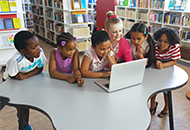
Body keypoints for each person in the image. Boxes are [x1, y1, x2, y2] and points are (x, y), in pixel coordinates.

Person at [3, 31, 47, 130]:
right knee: (21, 106)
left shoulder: (39, 53)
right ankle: (23, 124)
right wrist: (24, 76)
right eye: (34, 47)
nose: (38, 49)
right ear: (22, 51)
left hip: (26, 80)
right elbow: (15, 76)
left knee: (26, 105)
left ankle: (24, 122)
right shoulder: (16, 61)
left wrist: (25, 76)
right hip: (11, 83)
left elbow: (40, 68)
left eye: (38, 45)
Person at [150, 27, 181, 118]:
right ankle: (152, 105)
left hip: (168, 70)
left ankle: (166, 108)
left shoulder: (174, 48)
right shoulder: (155, 47)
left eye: (165, 41)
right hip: (156, 70)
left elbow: (174, 61)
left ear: (171, 42)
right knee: (153, 88)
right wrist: (157, 62)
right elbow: (154, 57)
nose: (161, 44)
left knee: (166, 91)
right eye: (160, 40)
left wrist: (163, 65)